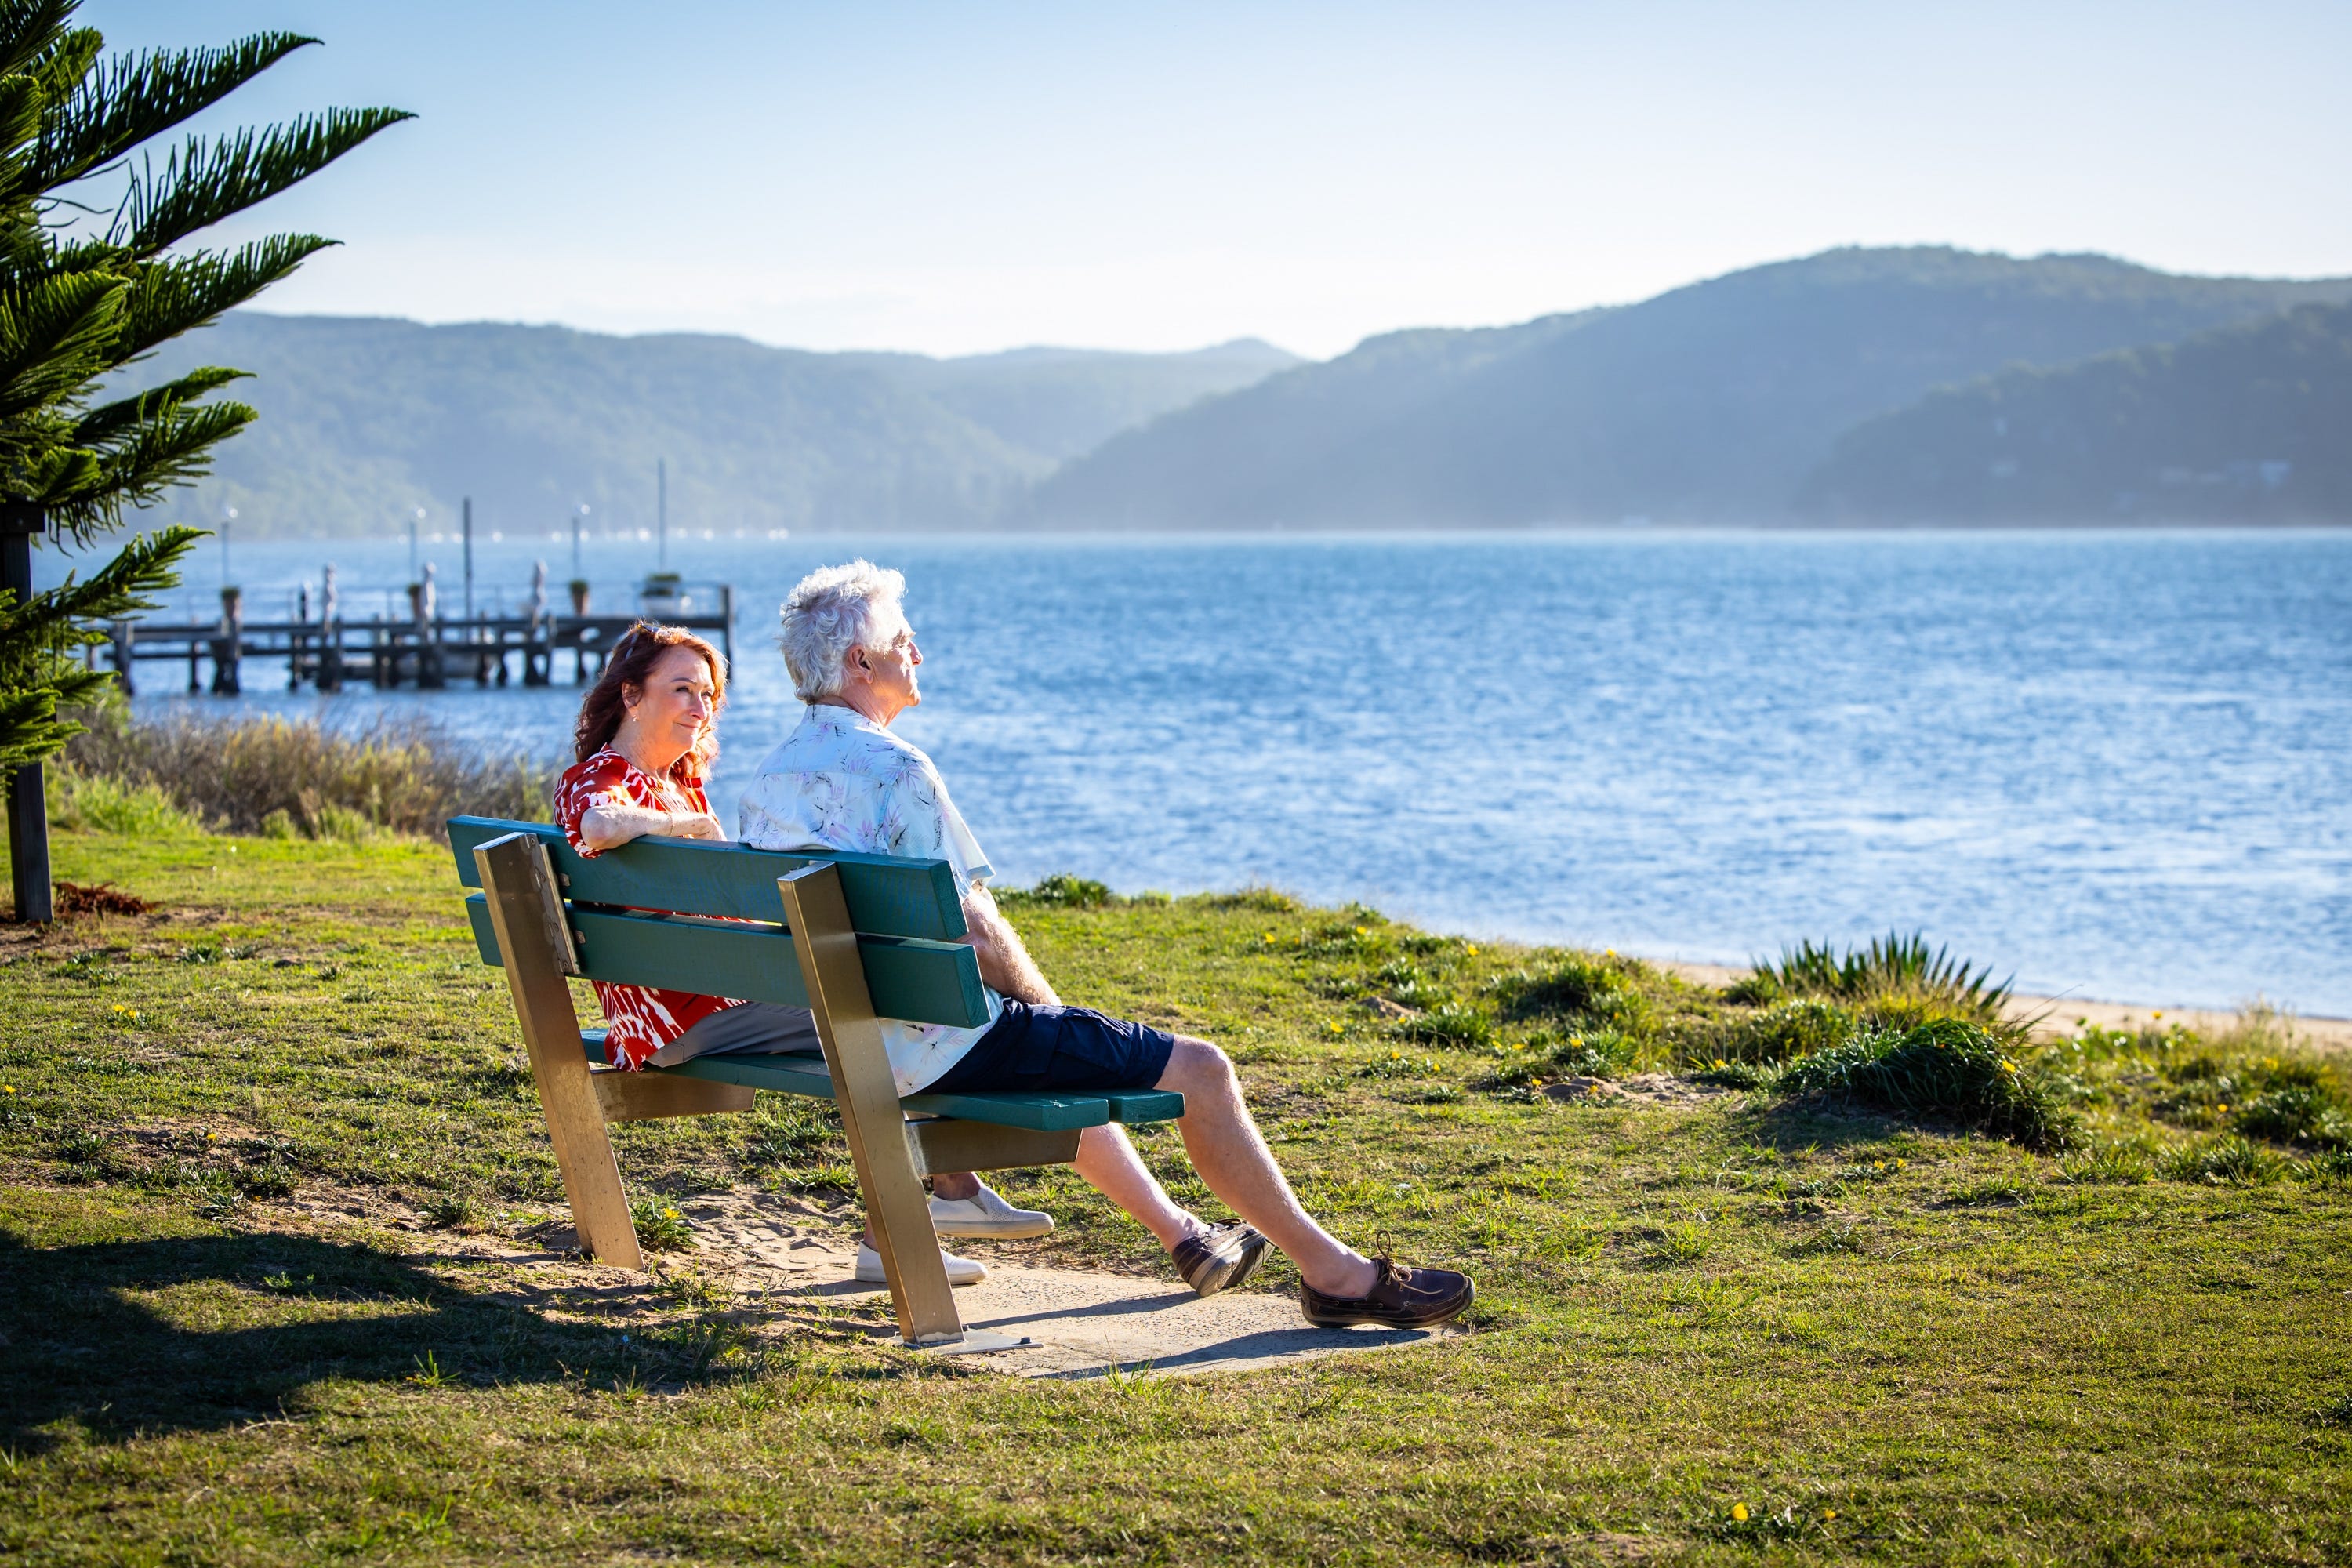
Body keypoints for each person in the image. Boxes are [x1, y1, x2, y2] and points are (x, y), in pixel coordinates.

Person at [736, 562, 1475, 1329]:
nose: (917, 653)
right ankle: (1338, 1276)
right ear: (862, 662)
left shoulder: (770, 775)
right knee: (1203, 1070)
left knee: (1060, 1044)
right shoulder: (898, 769)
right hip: (930, 1044)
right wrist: (1059, 1016)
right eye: (904, 640)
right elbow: (976, 928)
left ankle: (1190, 1233)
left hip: (842, 1041)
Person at [550, 621, 1050, 1280]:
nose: (701, 708)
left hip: (701, 1004)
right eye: (682, 690)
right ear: (631, 695)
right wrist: (692, 826)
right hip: (682, 1020)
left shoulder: (676, 784)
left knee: (884, 998)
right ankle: (906, 1230)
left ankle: (946, 1197)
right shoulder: (602, 780)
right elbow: (598, 825)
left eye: (708, 695)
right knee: (888, 1006)